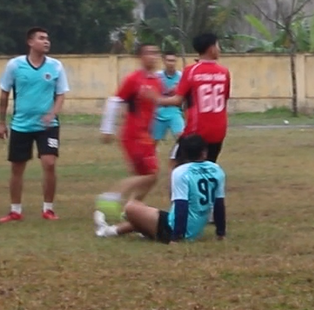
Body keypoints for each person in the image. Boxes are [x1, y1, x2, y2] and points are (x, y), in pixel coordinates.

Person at [93, 134, 226, 243]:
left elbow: (182, 205)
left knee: (131, 207)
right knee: (141, 214)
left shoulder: (181, 172)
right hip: (195, 229)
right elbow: (219, 204)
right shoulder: (216, 169)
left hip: (176, 229)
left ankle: (118, 230)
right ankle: (107, 231)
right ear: (204, 153)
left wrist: (176, 237)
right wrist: (221, 232)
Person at [0, 27, 69, 222]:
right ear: (30, 42)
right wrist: (1, 122)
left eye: (47, 38)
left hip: (48, 126)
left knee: (49, 163)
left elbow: (61, 94)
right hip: (21, 125)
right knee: (17, 167)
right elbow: (4, 94)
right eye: (41, 38)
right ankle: (15, 210)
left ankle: (48, 209)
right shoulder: (15, 65)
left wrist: (52, 114)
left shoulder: (56, 66)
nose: (46, 41)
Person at [151, 33, 231, 168]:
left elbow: (177, 100)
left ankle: (177, 183)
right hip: (219, 130)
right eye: (218, 45)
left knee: (176, 163)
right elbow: (224, 99)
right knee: (207, 166)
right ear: (211, 48)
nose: (219, 49)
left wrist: (154, 99)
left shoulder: (191, 71)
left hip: (197, 131)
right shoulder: (224, 72)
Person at [98, 44, 163, 206]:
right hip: (134, 135)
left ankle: (132, 210)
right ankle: (112, 195)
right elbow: (115, 101)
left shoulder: (157, 81)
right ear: (141, 57)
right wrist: (107, 129)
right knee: (151, 175)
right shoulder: (134, 79)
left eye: (155, 53)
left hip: (145, 135)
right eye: (149, 53)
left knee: (145, 177)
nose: (153, 56)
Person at [152, 51, 185, 145]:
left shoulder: (181, 76)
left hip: (174, 112)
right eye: (169, 60)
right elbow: (153, 96)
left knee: (183, 138)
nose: (171, 63)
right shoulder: (157, 76)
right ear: (164, 61)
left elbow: (181, 98)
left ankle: (180, 154)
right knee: (152, 143)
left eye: (173, 61)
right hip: (158, 113)